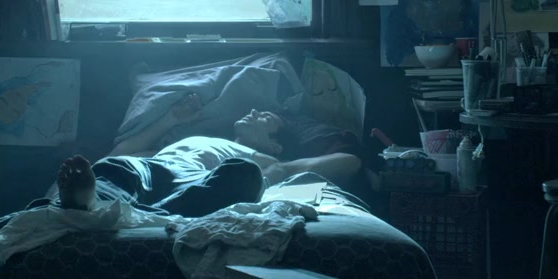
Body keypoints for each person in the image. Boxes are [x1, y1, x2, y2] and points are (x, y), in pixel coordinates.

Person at [50, 97, 365, 218]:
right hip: (156, 166)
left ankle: (137, 213)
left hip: (195, 179)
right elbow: (121, 151)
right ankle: (88, 201)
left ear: (275, 145)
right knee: (113, 165)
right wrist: (172, 118)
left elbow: (350, 162)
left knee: (244, 175)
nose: (253, 110)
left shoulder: (261, 159)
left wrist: (278, 169)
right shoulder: (195, 139)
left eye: (265, 118)